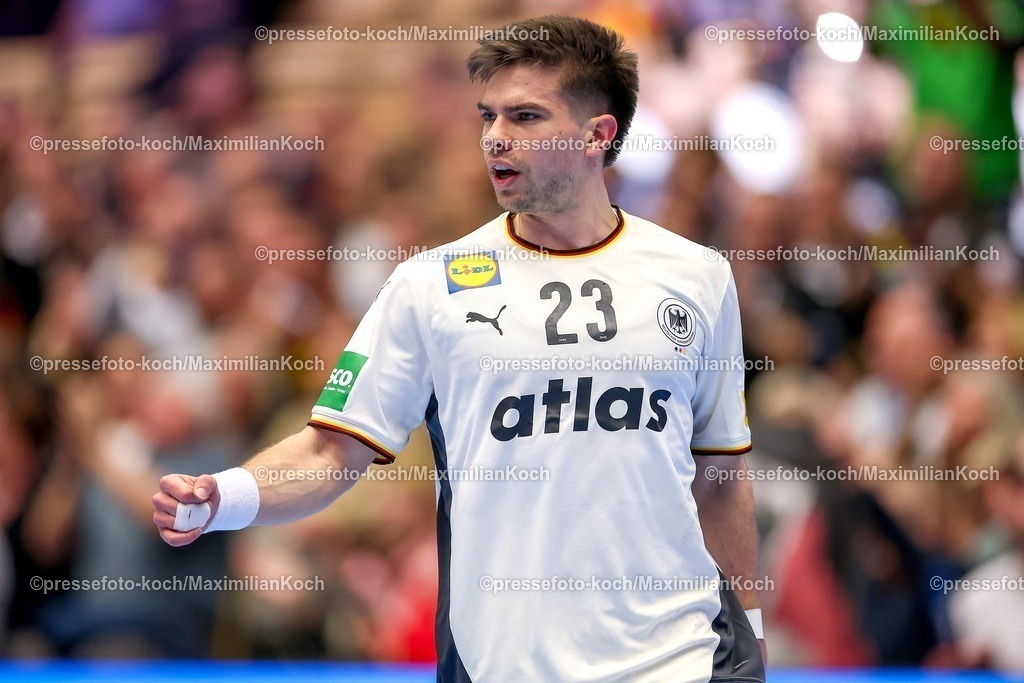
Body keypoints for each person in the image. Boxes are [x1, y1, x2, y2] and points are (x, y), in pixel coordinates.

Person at [152, 15, 766, 682]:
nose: (496, 137)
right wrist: (224, 494)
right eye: (488, 116)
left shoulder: (698, 276)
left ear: (598, 134)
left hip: (679, 661)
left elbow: (720, 476)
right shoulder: (429, 286)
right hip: (507, 666)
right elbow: (330, 452)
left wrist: (752, 643)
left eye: (526, 117)